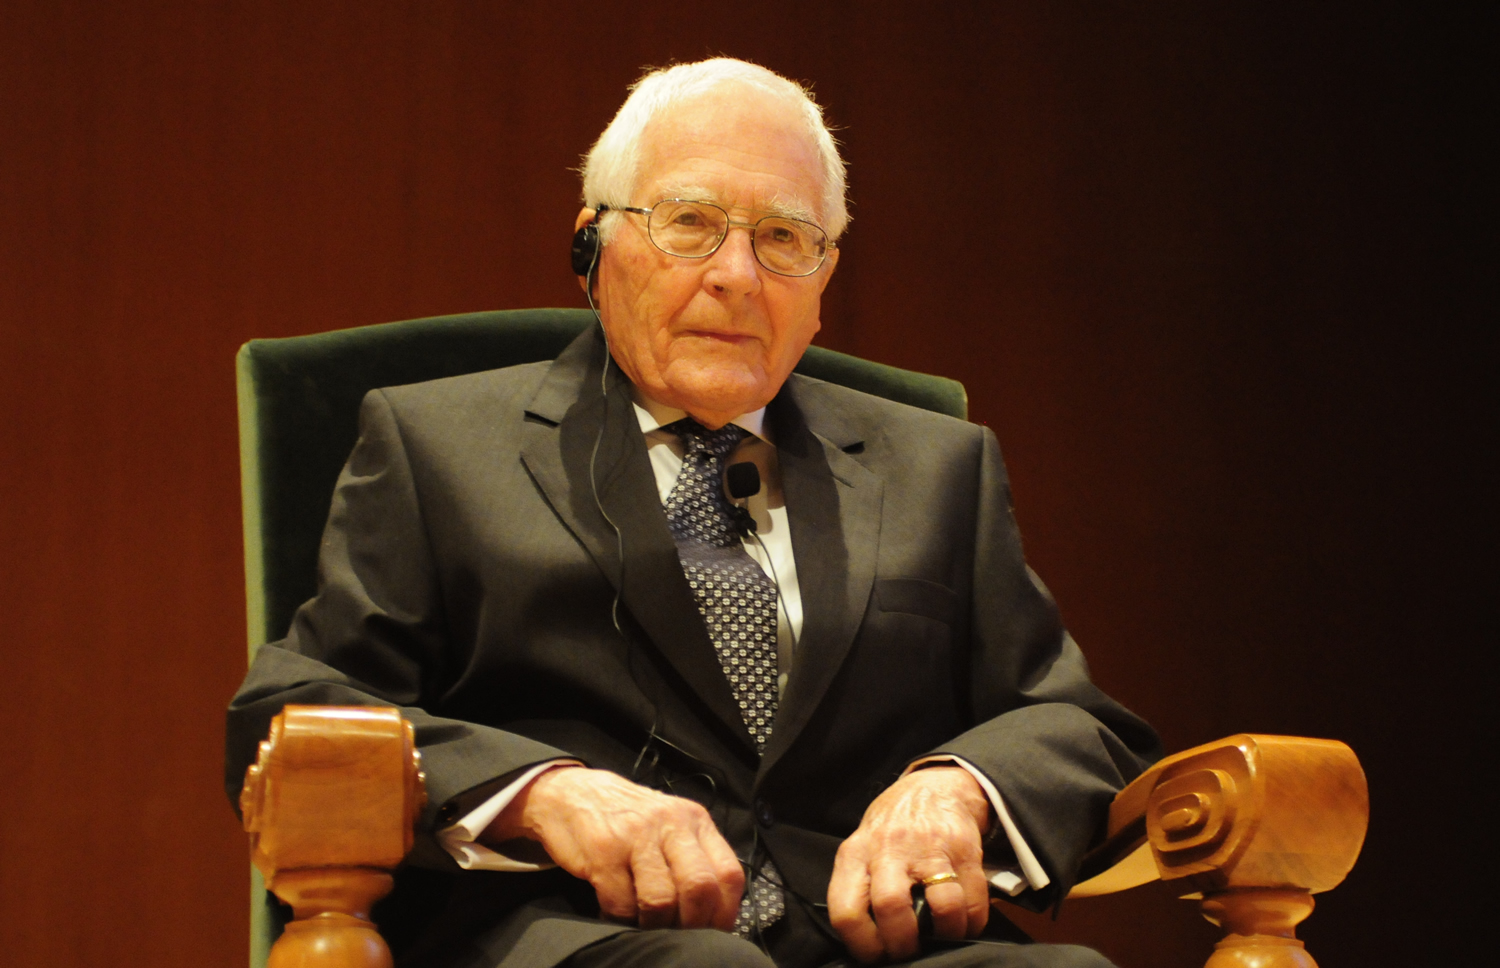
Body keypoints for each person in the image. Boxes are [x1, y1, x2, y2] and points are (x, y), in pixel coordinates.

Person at [226, 58, 1160, 968]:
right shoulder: (438, 448)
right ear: (593, 246)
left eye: (786, 238)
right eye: (690, 223)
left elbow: (1077, 727)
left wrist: (959, 792)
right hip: (578, 934)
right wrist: (542, 795)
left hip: (881, 940)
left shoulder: (938, 467)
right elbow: (300, 710)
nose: (737, 275)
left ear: (824, 285)